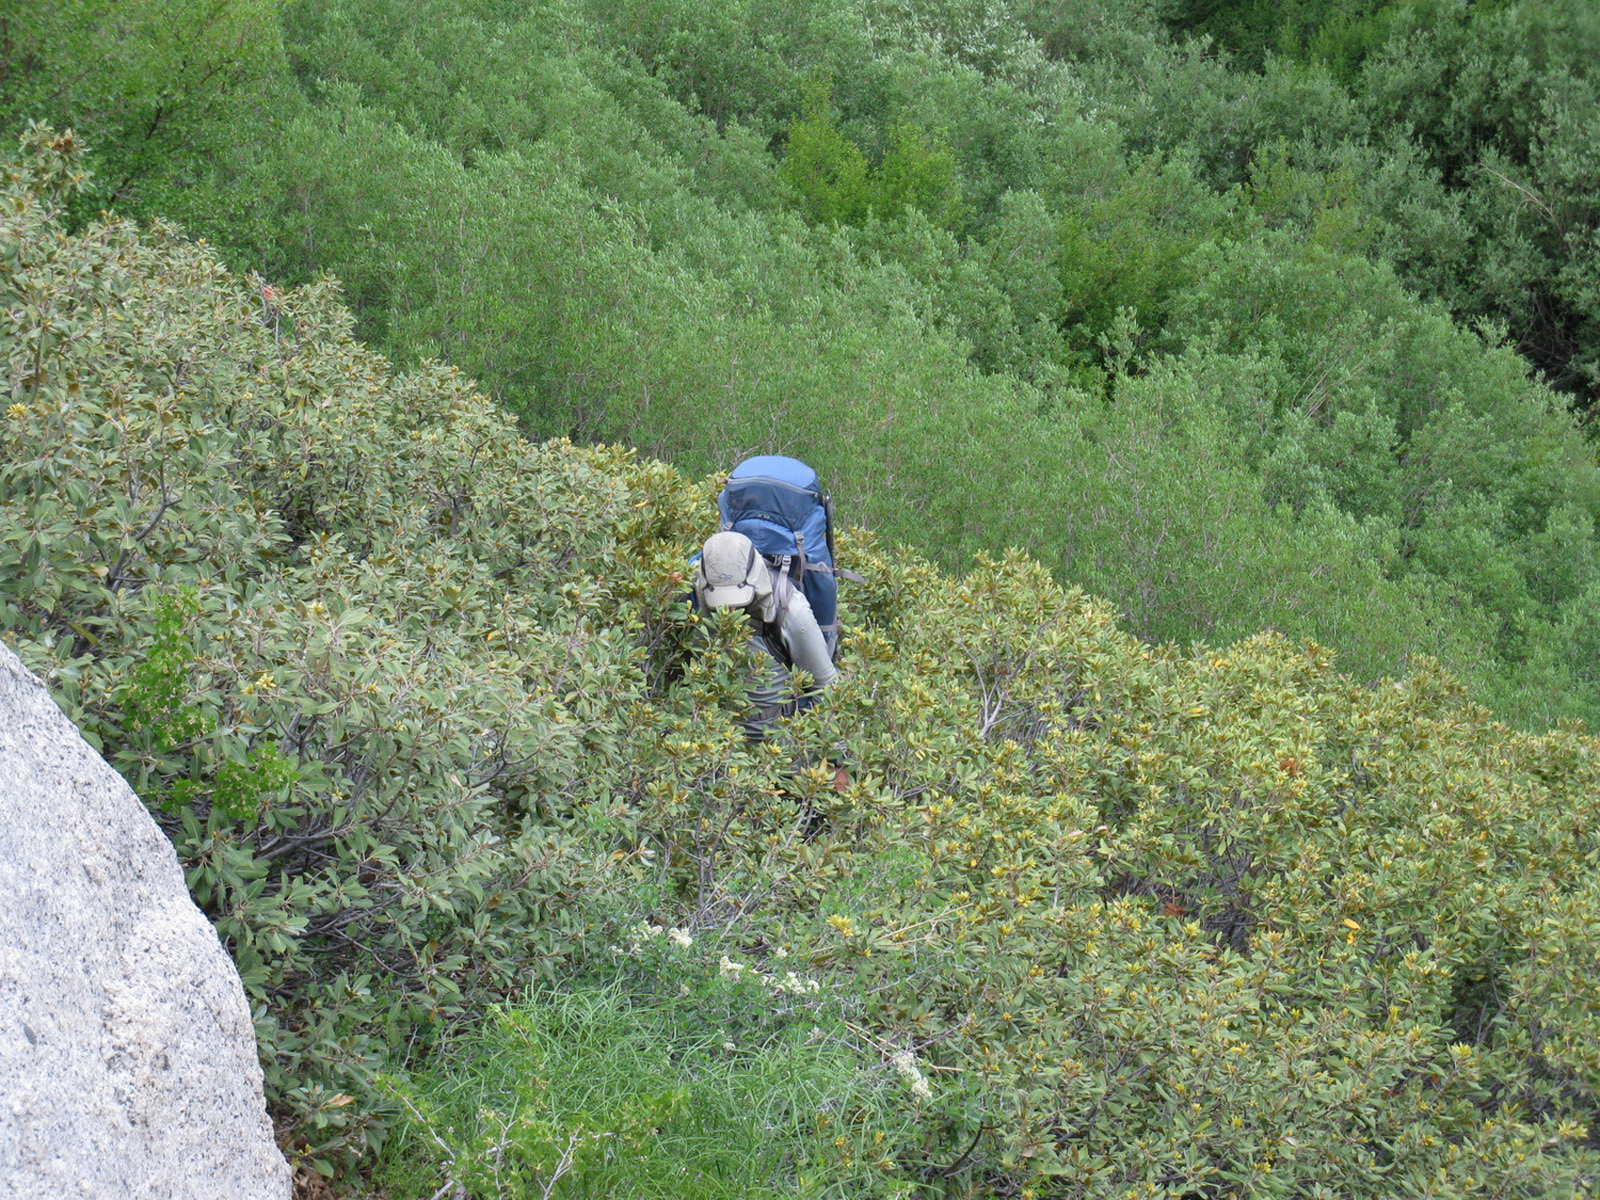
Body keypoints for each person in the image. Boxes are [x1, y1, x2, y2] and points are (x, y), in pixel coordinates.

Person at [692, 529, 840, 745]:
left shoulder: (789, 609)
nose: (729, 610)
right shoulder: (690, 593)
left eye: (738, 600)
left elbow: (826, 686)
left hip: (775, 744)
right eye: (719, 601)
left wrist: (834, 754)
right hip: (710, 738)